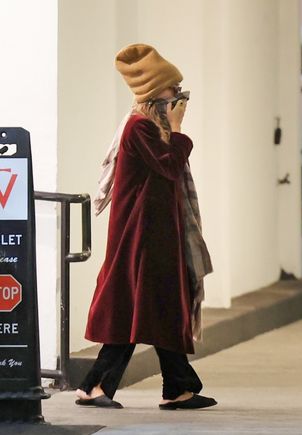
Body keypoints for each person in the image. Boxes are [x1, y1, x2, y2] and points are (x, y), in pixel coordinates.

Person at [75, 43, 216, 410]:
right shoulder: (140, 128)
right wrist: (178, 127)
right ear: (157, 94)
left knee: (160, 308)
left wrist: (172, 128)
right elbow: (168, 166)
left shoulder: (148, 127)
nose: (179, 98)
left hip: (155, 235)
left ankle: (178, 388)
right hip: (141, 237)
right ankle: (94, 387)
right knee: (134, 309)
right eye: (174, 92)